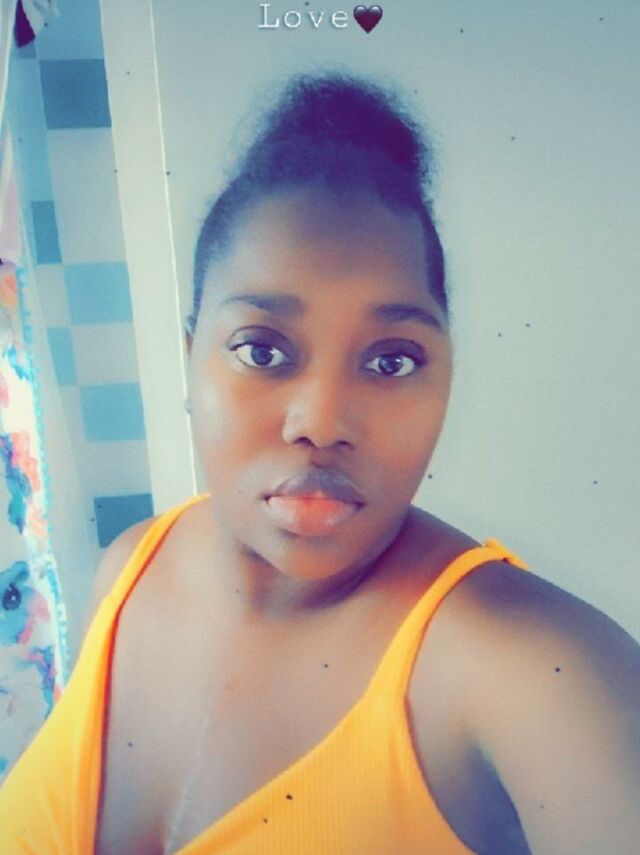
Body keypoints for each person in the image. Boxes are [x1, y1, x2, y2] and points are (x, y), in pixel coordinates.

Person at [1, 69, 639, 855]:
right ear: (191, 356)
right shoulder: (125, 572)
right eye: (262, 349)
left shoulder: (542, 673)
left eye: (392, 360)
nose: (322, 422)